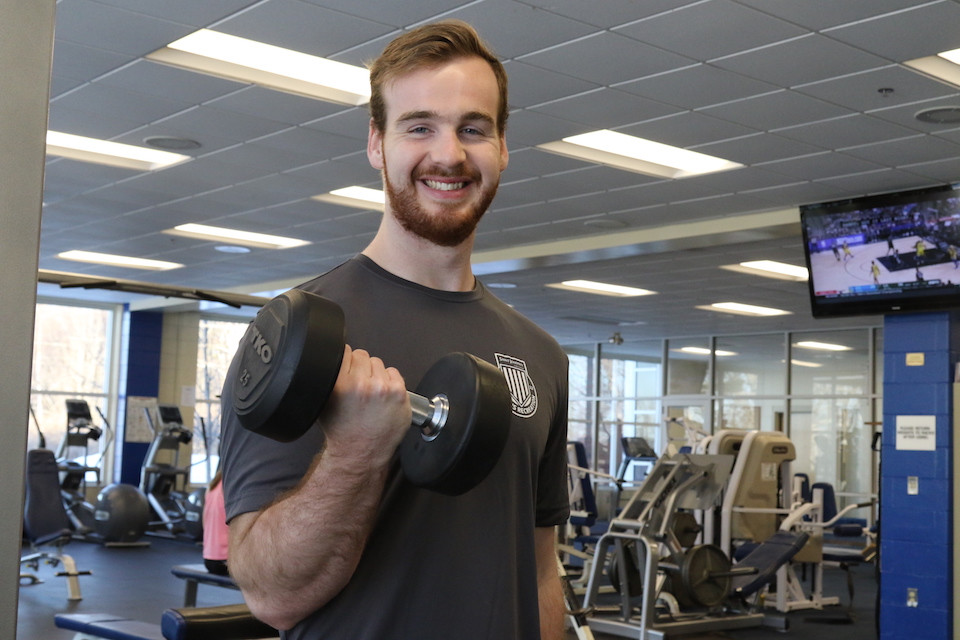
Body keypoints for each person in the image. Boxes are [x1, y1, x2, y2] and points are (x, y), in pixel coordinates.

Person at [219, 20, 570, 640]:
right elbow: (270, 593)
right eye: (420, 127)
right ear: (377, 144)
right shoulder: (300, 334)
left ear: (503, 146)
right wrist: (355, 452)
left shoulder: (540, 356)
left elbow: (540, 571)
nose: (449, 154)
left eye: (473, 128)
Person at [201, 469, 229, 576]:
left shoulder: (212, 486)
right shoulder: (231, 485)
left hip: (208, 560)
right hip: (226, 562)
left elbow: (204, 524)